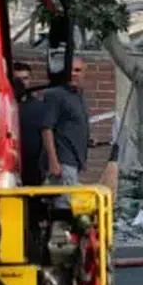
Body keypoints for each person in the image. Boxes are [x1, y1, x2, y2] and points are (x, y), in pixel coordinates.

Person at [39, 57, 90, 209]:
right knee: (65, 205)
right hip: (63, 161)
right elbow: (46, 128)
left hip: (74, 161)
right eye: (70, 70)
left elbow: (72, 126)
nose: (73, 74)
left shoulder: (79, 97)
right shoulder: (55, 95)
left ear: (84, 73)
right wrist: (53, 162)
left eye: (78, 70)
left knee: (66, 204)